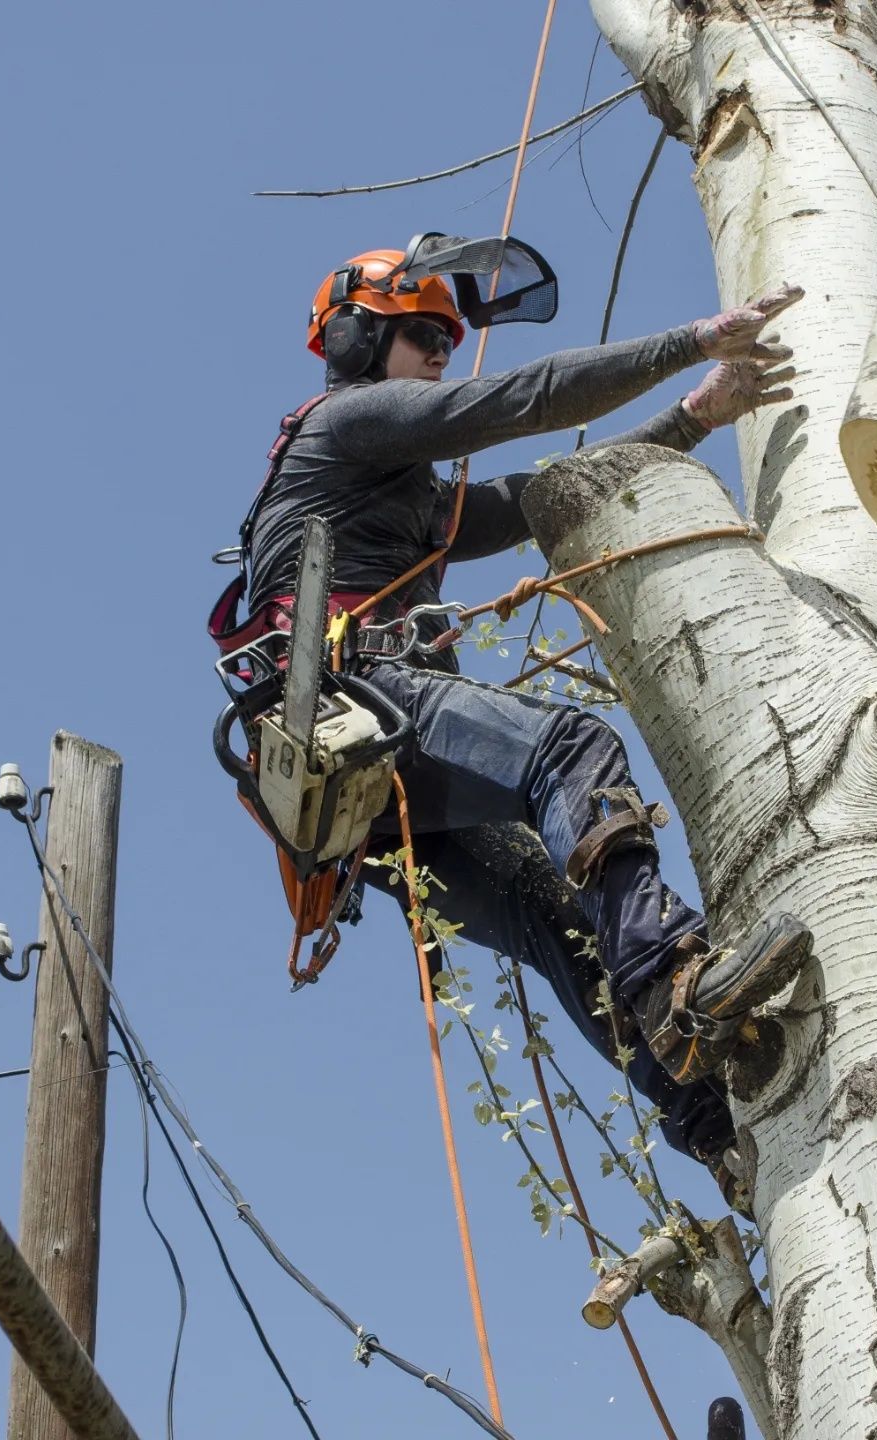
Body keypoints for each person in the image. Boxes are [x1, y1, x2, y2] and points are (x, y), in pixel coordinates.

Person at [246, 247, 813, 1210]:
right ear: (359, 338)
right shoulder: (347, 423)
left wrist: (693, 418)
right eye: (424, 337)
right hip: (360, 708)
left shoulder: (406, 495)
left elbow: (542, 502)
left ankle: (713, 1122)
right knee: (569, 749)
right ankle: (673, 974)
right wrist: (691, 342)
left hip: (349, 797)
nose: (441, 357)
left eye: (446, 341)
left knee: (563, 923)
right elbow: (523, 399)